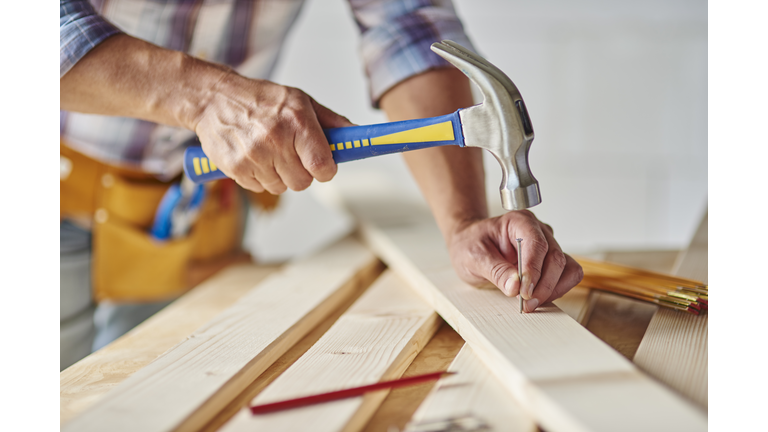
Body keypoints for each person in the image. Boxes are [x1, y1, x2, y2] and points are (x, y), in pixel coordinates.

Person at [59, 0, 583, 368]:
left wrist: (463, 220)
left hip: (200, 203)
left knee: (164, 398)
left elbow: (407, 27)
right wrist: (203, 97)